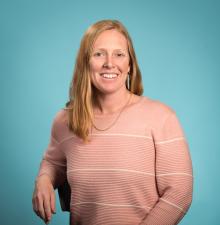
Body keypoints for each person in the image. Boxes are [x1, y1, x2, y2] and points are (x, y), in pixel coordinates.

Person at [32, 19, 193, 225]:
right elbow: (53, 162)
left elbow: (180, 193)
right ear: (85, 62)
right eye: (99, 54)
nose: (110, 63)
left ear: (129, 65)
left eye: (119, 54)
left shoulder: (161, 117)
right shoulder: (65, 120)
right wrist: (44, 180)